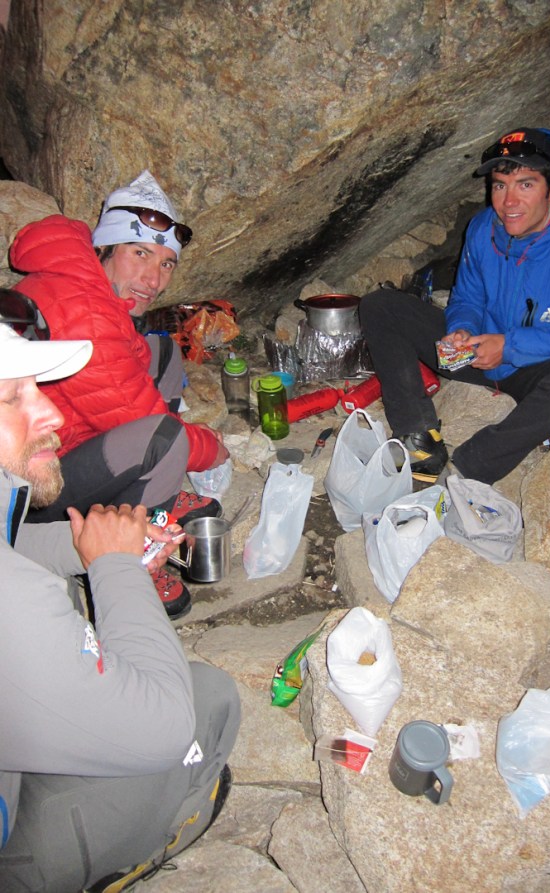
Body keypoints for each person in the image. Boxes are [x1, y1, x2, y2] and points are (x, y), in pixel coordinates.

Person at [0, 319, 241, 893]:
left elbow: (14, 544)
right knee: (207, 703)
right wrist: (115, 570)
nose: (51, 416)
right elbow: (162, 725)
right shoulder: (12, 600)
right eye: (12, 397)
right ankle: (119, 860)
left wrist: (93, 546)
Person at [360, 127, 550, 484]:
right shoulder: (482, 229)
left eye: (525, 184)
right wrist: (462, 329)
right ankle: (418, 436)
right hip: (478, 352)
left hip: (536, 366)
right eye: (499, 185)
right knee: (381, 305)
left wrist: (510, 347)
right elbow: (468, 297)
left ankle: (470, 468)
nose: (509, 202)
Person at [9, 171, 230, 617]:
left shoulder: (78, 280)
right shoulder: (82, 310)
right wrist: (215, 450)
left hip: (65, 440)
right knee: (166, 439)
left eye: (166, 263)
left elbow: (121, 378)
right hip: (32, 490)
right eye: (140, 254)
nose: (153, 278)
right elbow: (138, 418)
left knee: (160, 350)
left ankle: (150, 491)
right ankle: (137, 554)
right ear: (104, 249)